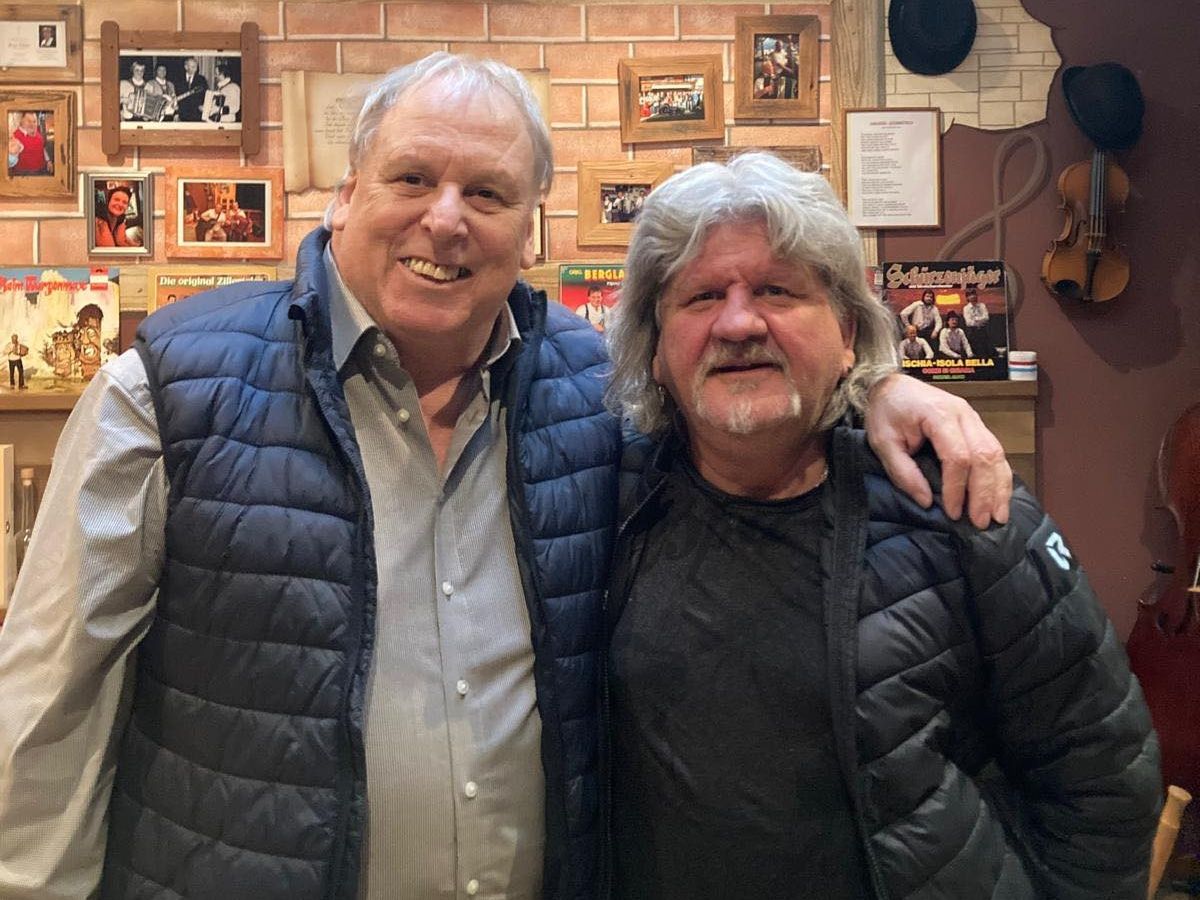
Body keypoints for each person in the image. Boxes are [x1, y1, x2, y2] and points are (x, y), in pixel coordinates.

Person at [0, 55, 1012, 900]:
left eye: (487, 194)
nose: (447, 221)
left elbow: (748, 407)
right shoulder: (167, 390)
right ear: (346, 194)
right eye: (412, 179)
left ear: (529, 227)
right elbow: (46, 715)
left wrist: (877, 385)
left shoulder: (601, 395)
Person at [603, 152, 1161, 900]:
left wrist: (890, 382)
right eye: (702, 296)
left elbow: (1101, 777)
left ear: (846, 334)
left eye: (776, 290)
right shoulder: (606, 503)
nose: (738, 323)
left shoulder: (960, 494)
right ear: (655, 349)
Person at [8, 111, 49, 176]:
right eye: (29, 121)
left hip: (43, 168)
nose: (32, 124)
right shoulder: (15, 137)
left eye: (34, 121)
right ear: (21, 121)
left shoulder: (37, 133)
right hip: (28, 173)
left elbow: (42, 149)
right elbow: (10, 161)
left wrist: (48, 161)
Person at [174, 55, 208, 122]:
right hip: (182, 115)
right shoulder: (178, 79)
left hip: (197, 115)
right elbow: (176, 97)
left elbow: (205, 95)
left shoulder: (201, 79)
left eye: (196, 67)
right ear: (186, 67)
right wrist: (176, 113)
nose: (195, 69)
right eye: (192, 67)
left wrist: (203, 106)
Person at [962, 284, 993, 356]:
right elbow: (968, 322)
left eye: (974, 294)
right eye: (970, 295)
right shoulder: (966, 308)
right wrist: (980, 320)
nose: (973, 296)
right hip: (972, 332)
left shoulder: (982, 305)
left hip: (983, 330)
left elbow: (986, 318)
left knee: (986, 350)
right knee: (974, 350)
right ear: (967, 298)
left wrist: (975, 319)